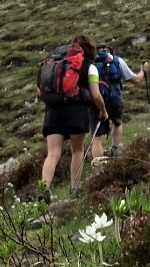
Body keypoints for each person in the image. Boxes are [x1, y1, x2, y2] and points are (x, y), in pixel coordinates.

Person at [39, 33, 107, 200]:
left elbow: (41, 89)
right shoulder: (90, 67)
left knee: (53, 153)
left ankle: (45, 189)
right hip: (76, 111)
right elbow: (96, 95)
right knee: (77, 150)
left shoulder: (56, 63)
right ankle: (74, 188)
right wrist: (103, 111)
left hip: (53, 110)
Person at [90, 45, 149, 161]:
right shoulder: (116, 61)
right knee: (117, 123)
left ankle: (99, 168)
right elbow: (136, 80)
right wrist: (143, 71)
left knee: (97, 137)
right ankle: (115, 150)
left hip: (95, 100)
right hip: (114, 99)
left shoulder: (90, 63)